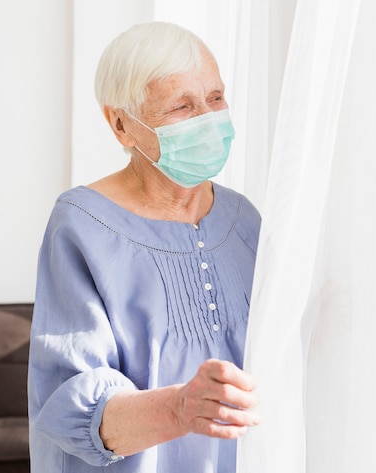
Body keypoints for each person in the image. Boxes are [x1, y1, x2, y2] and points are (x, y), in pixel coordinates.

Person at [27, 21, 261, 473]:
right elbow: (71, 408)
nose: (209, 118)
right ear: (121, 125)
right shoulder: (82, 225)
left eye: (215, 98)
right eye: (183, 106)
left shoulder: (245, 219)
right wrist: (178, 408)